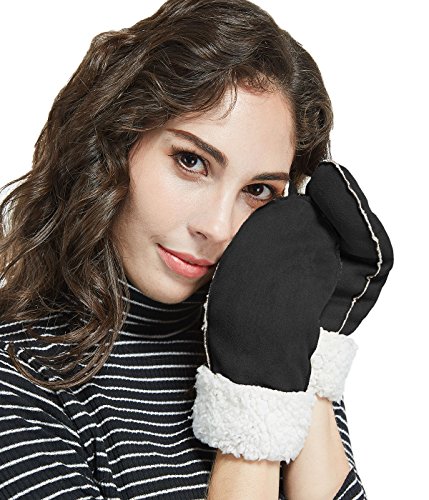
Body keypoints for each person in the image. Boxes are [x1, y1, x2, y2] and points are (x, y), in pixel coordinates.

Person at [0, 0, 392, 498]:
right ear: (114, 142)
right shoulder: (17, 373)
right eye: (191, 161)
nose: (217, 227)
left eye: (258, 190)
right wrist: (252, 410)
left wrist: (314, 353)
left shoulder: (268, 335)